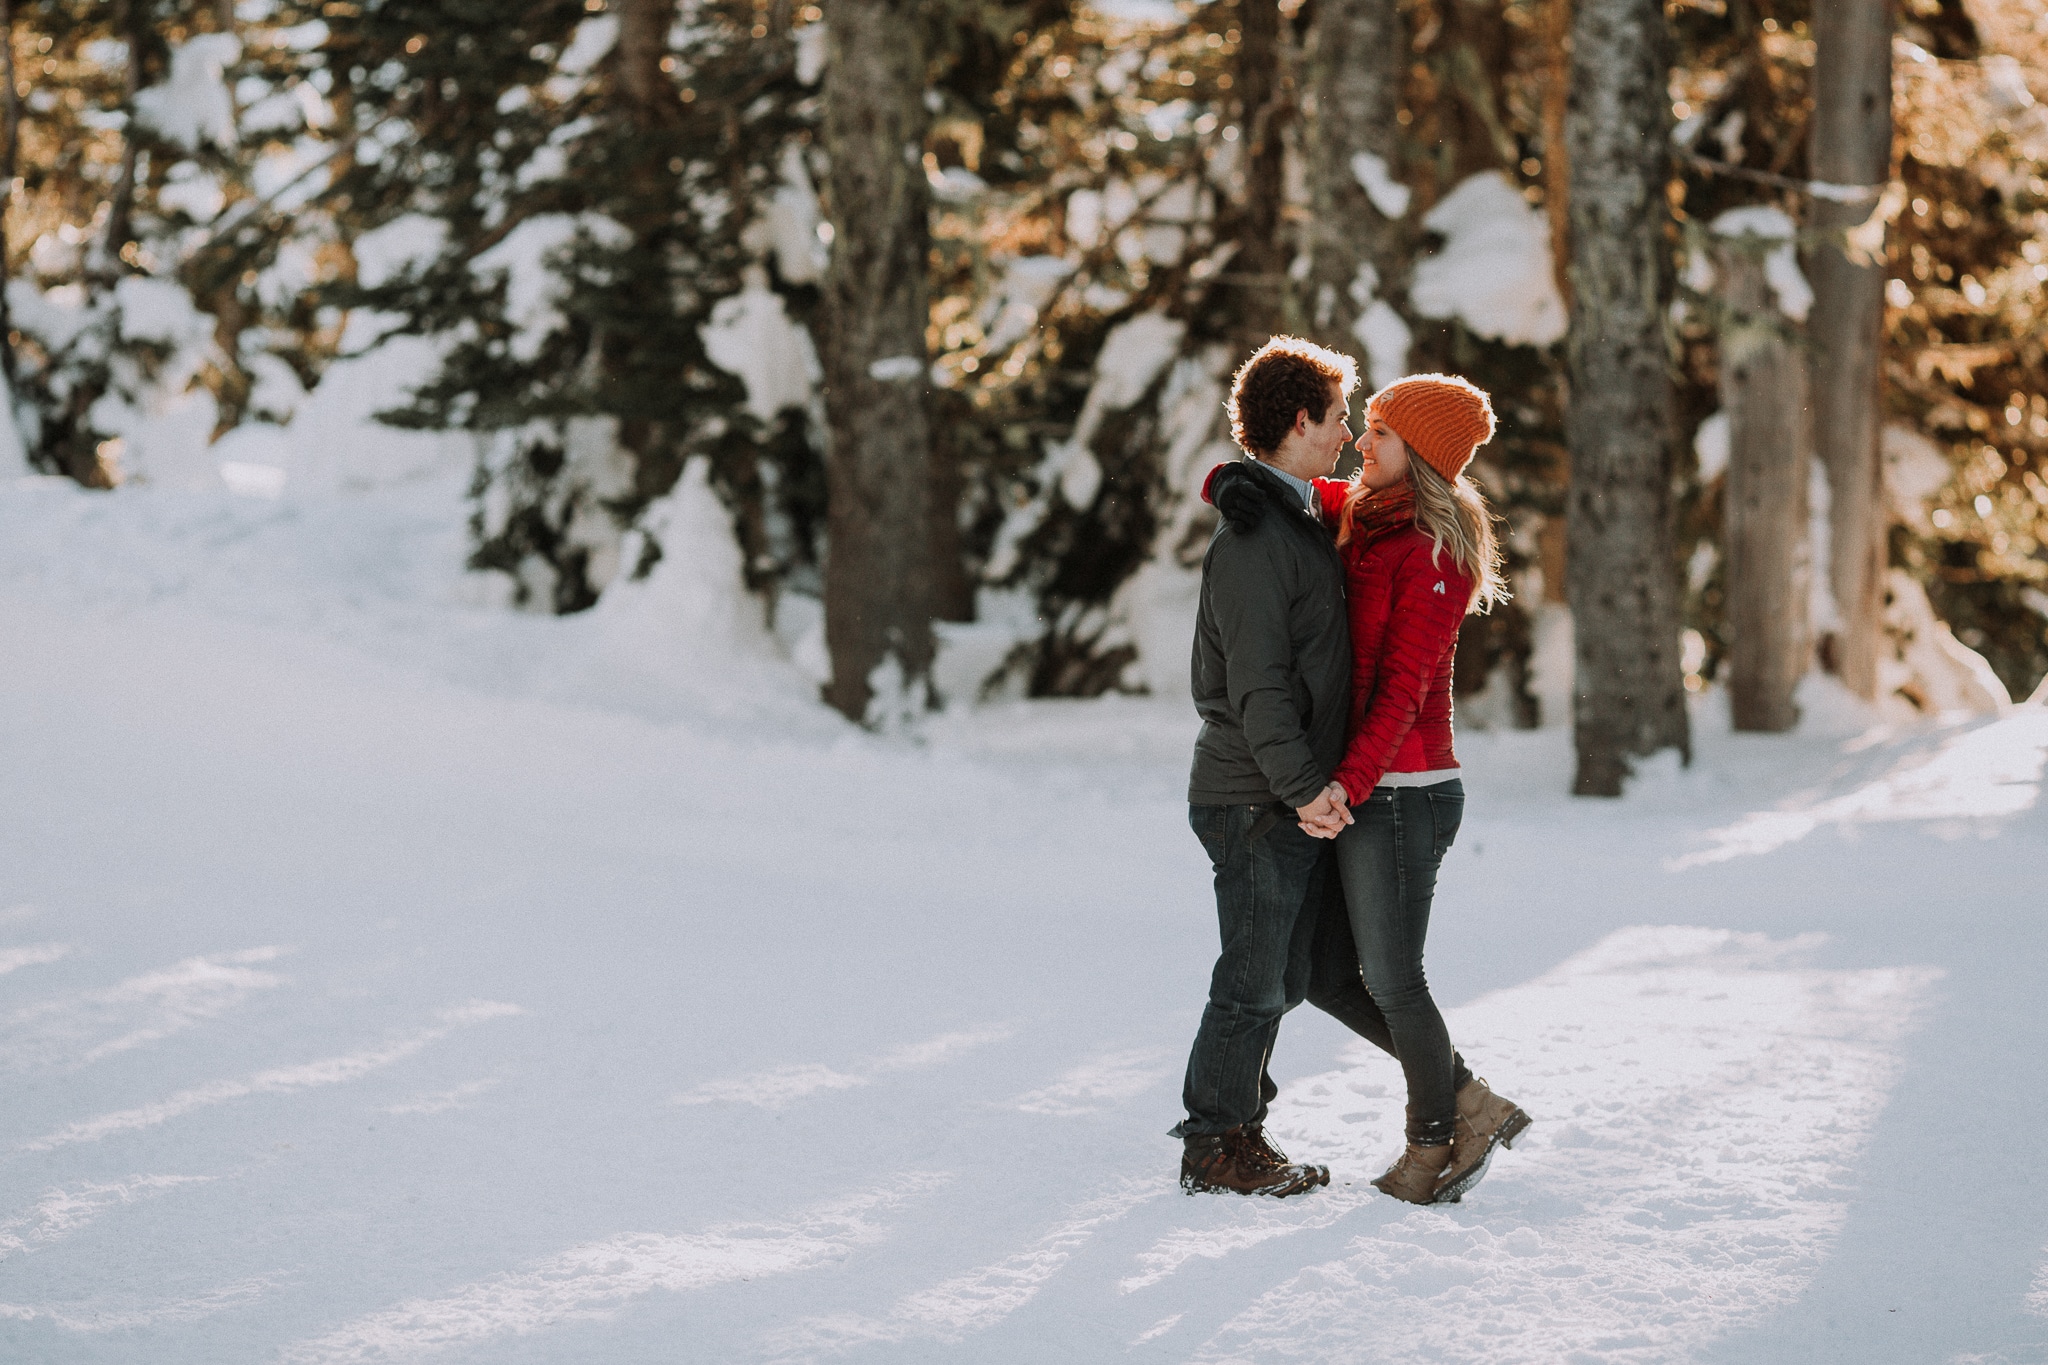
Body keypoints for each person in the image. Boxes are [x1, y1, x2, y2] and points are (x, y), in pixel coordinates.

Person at [1208, 373, 1531, 1207]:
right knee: (1322, 971)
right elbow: (1282, 484)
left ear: (1416, 457)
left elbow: (1401, 689)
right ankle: (1468, 1097)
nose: (1361, 442)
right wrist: (1234, 479)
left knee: (1393, 977)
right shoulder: (1361, 518)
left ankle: (1435, 1144)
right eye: (1365, 425)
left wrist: (1343, 786)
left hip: (1405, 788)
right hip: (1362, 788)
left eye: (1380, 432)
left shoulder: (1432, 549)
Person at [1172, 336, 1366, 1198]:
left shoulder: (1294, 517)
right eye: (1337, 417)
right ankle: (1215, 1143)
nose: (1349, 435)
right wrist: (1302, 788)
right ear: (1299, 421)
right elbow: (1257, 686)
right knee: (1253, 979)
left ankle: (1242, 1130)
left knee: (1281, 978)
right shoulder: (1257, 536)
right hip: (1254, 795)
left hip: (1281, 792)